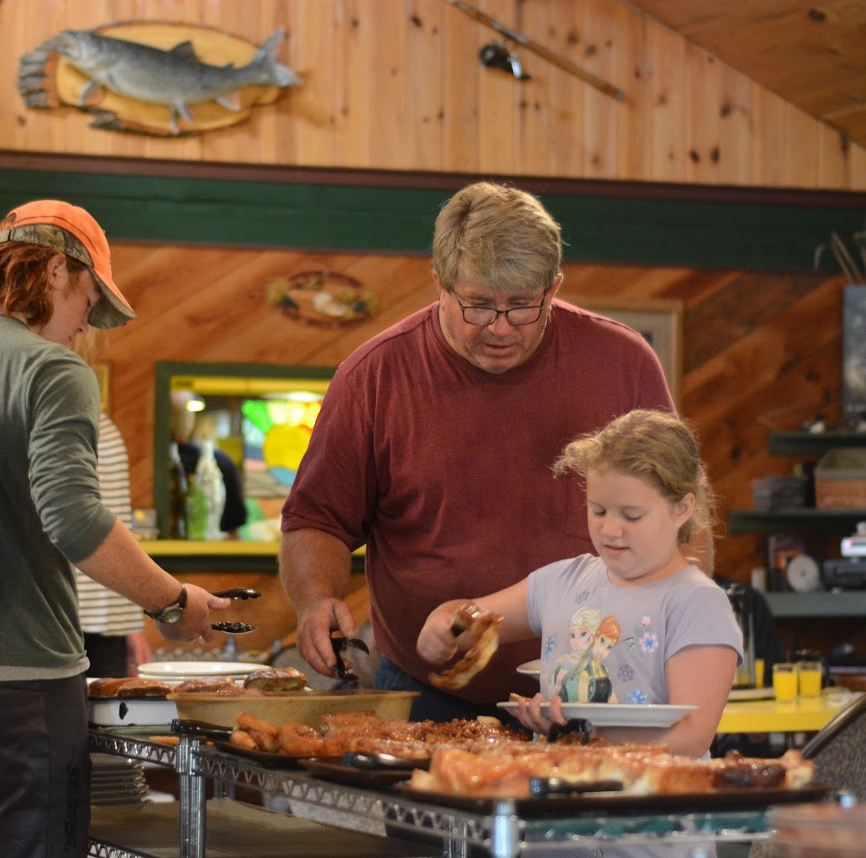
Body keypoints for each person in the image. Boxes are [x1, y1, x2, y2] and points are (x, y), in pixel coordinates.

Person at [0, 200, 230, 857]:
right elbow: (71, 516)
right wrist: (171, 601)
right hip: (20, 683)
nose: (84, 327)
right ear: (54, 271)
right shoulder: (52, 369)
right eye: (88, 301)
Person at [279, 180, 686, 723]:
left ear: (554, 287)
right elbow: (316, 519)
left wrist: (672, 635)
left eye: (521, 306)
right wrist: (316, 598)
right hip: (425, 689)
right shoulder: (373, 378)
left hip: (595, 684)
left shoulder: (622, 363)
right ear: (439, 284)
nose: (499, 329)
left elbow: (682, 517)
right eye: (477, 306)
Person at [417, 410, 741, 758]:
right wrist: (442, 624)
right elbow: (470, 621)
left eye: (632, 515)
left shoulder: (697, 603)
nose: (610, 530)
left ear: (682, 508)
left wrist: (577, 736)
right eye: (598, 511)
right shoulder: (562, 582)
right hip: (560, 787)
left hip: (653, 792)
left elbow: (691, 737)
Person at [75, 410, 152, 676]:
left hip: (106, 618)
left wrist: (128, 622)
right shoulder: (40, 406)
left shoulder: (96, 416)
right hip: (52, 618)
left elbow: (114, 523)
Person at [170, 390, 248, 537]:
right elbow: (234, 528)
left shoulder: (157, 465)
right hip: (214, 548)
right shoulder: (221, 461)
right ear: (191, 420)